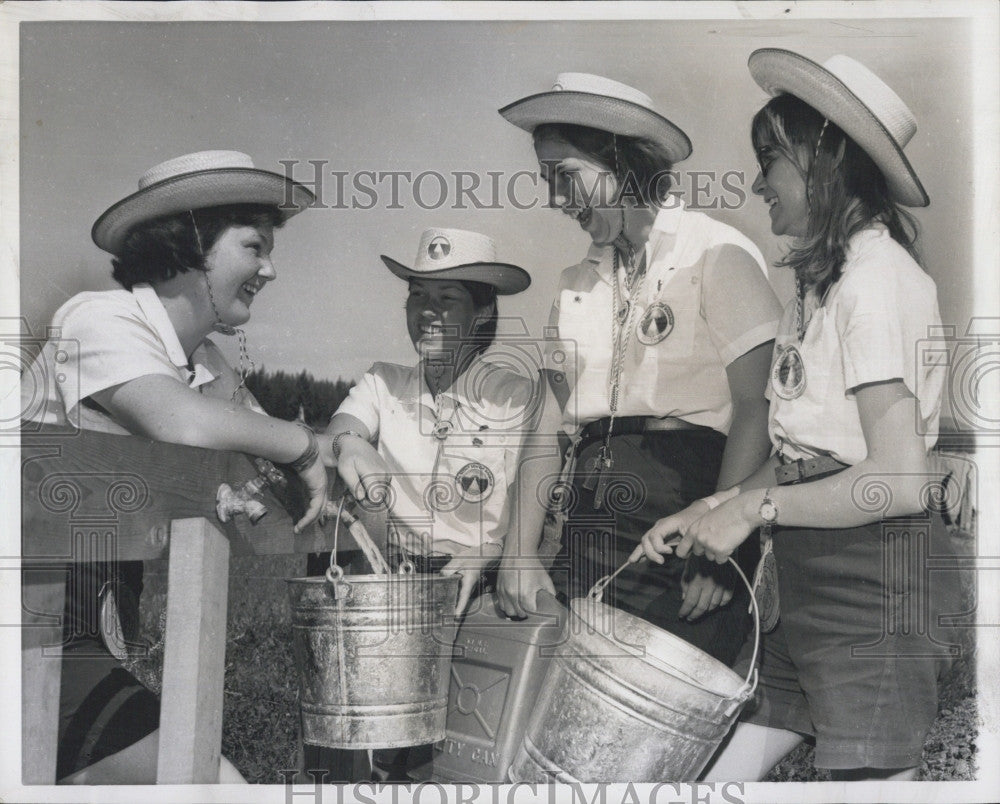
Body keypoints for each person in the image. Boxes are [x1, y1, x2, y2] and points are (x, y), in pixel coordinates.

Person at [641, 50, 961, 781]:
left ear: (826, 161)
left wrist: (754, 511)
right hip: (804, 577)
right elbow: (796, 449)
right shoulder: (820, 288)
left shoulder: (878, 286)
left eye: (770, 160)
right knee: (720, 776)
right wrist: (709, 506)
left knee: (869, 784)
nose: (758, 183)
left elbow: (901, 480)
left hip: (875, 582)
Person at [22, 150, 326, 784]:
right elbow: (180, 423)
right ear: (192, 244)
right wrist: (305, 444)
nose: (269, 269)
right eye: (254, 246)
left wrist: (341, 448)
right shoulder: (100, 318)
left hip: (92, 614)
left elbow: (262, 451)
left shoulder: (209, 367)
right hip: (29, 622)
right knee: (216, 787)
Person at [495, 73, 782, 666]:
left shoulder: (716, 253)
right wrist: (520, 553)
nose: (555, 198)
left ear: (623, 162)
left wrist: (721, 551)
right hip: (588, 523)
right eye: (546, 180)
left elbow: (759, 407)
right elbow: (549, 429)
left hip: (684, 525)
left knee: (662, 723)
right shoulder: (573, 286)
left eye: (565, 176)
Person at [324, 227, 556, 781]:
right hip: (389, 595)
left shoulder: (516, 397)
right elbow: (339, 433)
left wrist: (489, 556)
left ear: (482, 313)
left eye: (447, 299)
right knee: (366, 756)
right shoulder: (384, 383)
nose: (427, 312)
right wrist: (350, 440)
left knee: (465, 756)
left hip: (477, 602)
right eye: (418, 297)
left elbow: (540, 503)